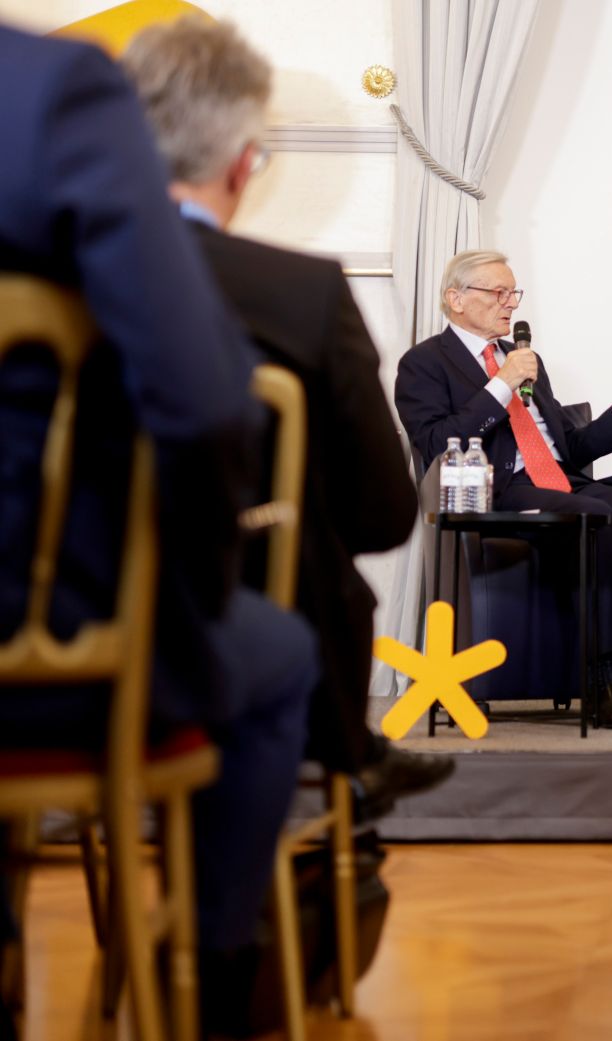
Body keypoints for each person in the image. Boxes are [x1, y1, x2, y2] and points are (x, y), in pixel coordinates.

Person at [0, 23, 317, 1035]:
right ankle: (210, 981)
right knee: (282, 645)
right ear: (242, 160)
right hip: (39, 655)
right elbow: (202, 397)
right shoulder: (49, 89)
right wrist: (184, 596)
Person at [120, 16, 454, 820]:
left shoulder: (34, 276)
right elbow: (380, 516)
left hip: (27, 648)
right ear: (243, 163)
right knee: (292, 625)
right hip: (200, 643)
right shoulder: (297, 293)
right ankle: (231, 932)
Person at [394, 250, 612, 728]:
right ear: (455, 299)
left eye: (513, 292)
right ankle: (605, 681)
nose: (509, 304)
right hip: (498, 490)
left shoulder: (524, 361)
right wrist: (501, 385)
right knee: (589, 516)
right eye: (497, 292)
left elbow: (568, 446)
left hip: (561, 482)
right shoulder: (425, 363)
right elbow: (437, 443)